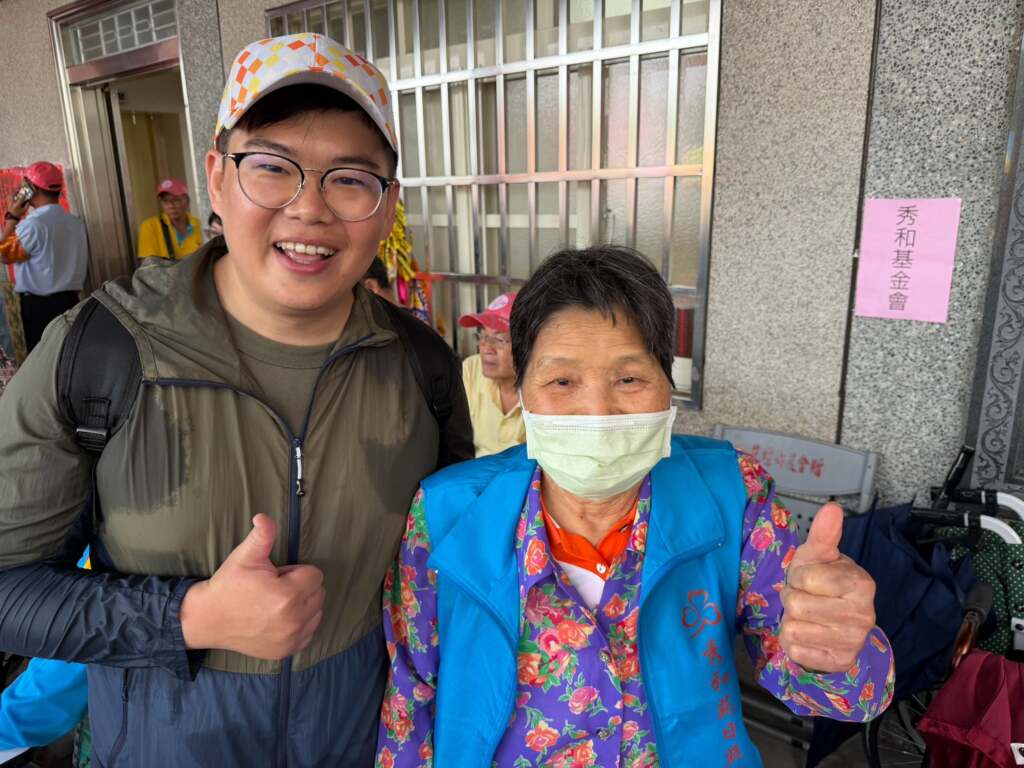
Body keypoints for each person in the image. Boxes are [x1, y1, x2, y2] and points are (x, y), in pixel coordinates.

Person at [0, 32, 471, 767]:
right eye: (272, 168)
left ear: (387, 208)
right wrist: (189, 617)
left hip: (357, 746)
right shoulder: (98, 353)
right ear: (217, 179)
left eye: (350, 179)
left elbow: (448, 570)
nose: (308, 209)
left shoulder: (422, 366)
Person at [376, 246, 896, 767]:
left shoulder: (732, 493)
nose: (597, 412)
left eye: (628, 379)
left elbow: (844, 695)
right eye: (562, 381)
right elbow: (409, 698)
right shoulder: (446, 513)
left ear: (668, 385)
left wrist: (835, 651)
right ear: (525, 390)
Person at [0, 162, 88, 353]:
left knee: (44, 360)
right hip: (72, 303)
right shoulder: (75, 222)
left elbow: (4, 255)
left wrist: (12, 216)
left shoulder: (33, 225)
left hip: (40, 308)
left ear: (31, 189)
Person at [459, 292, 525, 457]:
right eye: (483, 336)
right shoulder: (471, 369)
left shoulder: (541, 385)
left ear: (526, 346)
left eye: (499, 339)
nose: (486, 348)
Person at [135, 178, 203, 260]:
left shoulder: (198, 224)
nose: (171, 206)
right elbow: (148, 264)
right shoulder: (150, 226)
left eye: (176, 200)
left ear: (187, 201)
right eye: (165, 201)